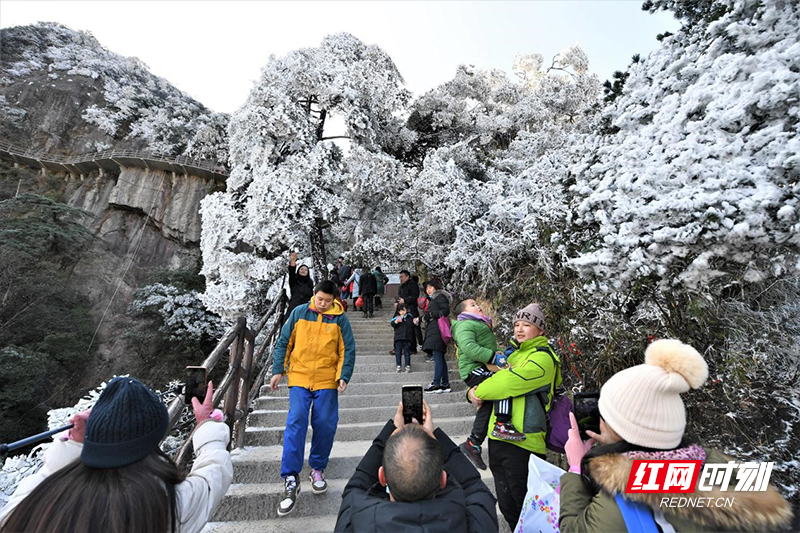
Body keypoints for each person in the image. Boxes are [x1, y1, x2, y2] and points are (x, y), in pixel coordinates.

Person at [559, 339, 794, 532]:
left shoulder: (623, 498)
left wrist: (575, 469)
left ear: (620, 431)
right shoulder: (716, 462)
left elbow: (572, 528)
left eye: (605, 416)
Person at [0, 377, 233, 533]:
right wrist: (204, 424)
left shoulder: (37, 499)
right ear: (153, 442)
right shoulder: (168, 502)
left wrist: (76, 444)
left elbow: (46, 474)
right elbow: (213, 474)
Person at [334, 400, 498, 532]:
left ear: (382, 477)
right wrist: (434, 436)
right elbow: (475, 488)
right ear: (443, 479)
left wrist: (391, 430)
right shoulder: (475, 523)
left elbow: (356, 486)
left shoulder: (354, 521)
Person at [467, 303, 561, 530]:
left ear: (540, 330)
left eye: (527, 325)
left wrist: (477, 391)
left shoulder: (544, 358)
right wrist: (469, 391)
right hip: (498, 440)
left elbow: (507, 382)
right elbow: (489, 380)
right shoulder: (512, 355)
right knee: (508, 507)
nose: (519, 329)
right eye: (516, 324)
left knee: (525, 506)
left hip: (524, 444)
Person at [270, 280, 357, 517]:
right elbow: (284, 342)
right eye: (320, 299)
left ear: (334, 300)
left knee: (326, 424)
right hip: (299, 376)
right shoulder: (299, 313)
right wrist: (278, 369)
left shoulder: (340, 319)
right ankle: (290, 475)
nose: (323, 304)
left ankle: (317, 468)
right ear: (314, 296)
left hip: (327, 379)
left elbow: (346, 350)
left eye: (328, 301)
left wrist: (343, 375)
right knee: (296, 421)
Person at [451, 298, 516, 471]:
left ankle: (474, 443)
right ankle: (502, 423)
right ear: (463, 313)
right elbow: (469, 347)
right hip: (474, 370)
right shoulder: (464, 325)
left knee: (487, 402)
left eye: (477, 304)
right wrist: (492, 357)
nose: (478, 306)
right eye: (473, 305)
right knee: (502, 383)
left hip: (482, 367)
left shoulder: (479, 324)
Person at [421, 279, 452, 394]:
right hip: (435, 330)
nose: (428, 290)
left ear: (435, 288)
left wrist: (431, 315)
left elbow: (445, 311)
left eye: (430, 287)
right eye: (426, 288)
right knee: (439, 357)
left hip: (438, 330)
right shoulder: (434, 299)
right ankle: (445, 384)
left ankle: (437, 383)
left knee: (437, 356)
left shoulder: (440, 297)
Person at [390, 303, 415, 372]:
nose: (402, 312)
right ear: (398, 311)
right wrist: (396, 321)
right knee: (398, 352)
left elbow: (413, 326)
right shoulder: (397, 318)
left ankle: (407, 365)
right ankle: (398, 365)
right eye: (401, 310)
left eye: (404, 310)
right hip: (398, 338)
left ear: (407, 310)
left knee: (407, 352)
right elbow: (392, 324)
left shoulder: (409, 317)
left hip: (407, 338)